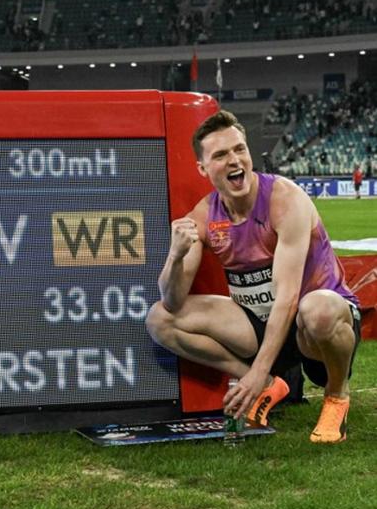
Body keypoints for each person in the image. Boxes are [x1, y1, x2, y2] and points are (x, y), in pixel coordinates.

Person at [146, 110, 361, 444]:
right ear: (203, 168)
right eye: (220, 155)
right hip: (259, 323)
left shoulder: (284, 200)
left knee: (316, 308)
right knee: (159, 319)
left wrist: (262, 365)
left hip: (315, 326)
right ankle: (262, 386)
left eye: (239, 149)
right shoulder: (205, 215)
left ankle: (336, 396)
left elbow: (288, 297)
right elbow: (172, 301)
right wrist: (175, 256)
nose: (235, 160)